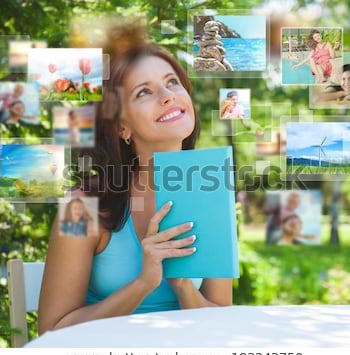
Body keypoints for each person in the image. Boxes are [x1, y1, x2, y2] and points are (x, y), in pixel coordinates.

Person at [38, 40, 232, 334]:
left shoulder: (212, 191)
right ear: (121, 126)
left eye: (172, 83)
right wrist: (143, 283)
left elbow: (221, 322)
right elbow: (52, 329)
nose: (168, 96)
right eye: (144, 92)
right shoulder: (82, 205)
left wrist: (182, 286)